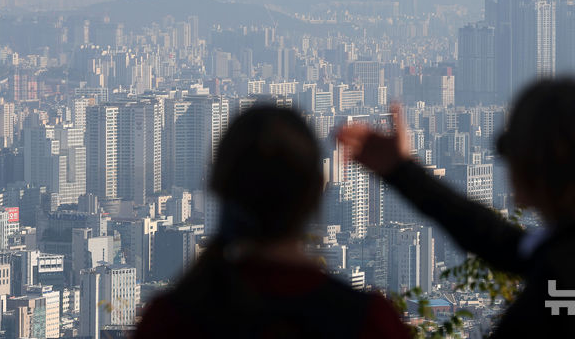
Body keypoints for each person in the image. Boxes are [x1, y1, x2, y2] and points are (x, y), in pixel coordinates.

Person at [338, 78, 575, 338]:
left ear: (540, 163)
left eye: (510, 150)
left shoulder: (573, 270)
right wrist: (402, 172)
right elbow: (498, 241)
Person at [136, 106, 408, 339]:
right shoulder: (368, 322)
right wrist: (407, 173)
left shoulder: (169, 320)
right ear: (315, 193)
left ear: (220, 189)